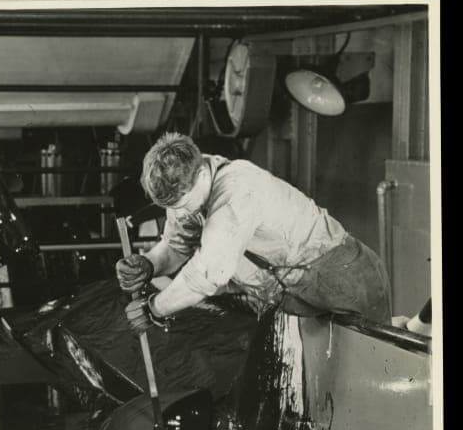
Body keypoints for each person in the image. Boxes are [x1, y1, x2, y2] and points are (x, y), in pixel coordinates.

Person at [116, 132, 391, 335]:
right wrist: (149, 264)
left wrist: (155, 309)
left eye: (183, 204)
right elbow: (176, 247)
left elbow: (204, 277)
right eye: (172, 208)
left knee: (373, 366)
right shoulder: (187, 193)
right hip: (293, 289)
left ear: (201, 173)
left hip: (339, 275)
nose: (181, 212)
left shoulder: (238, 190)